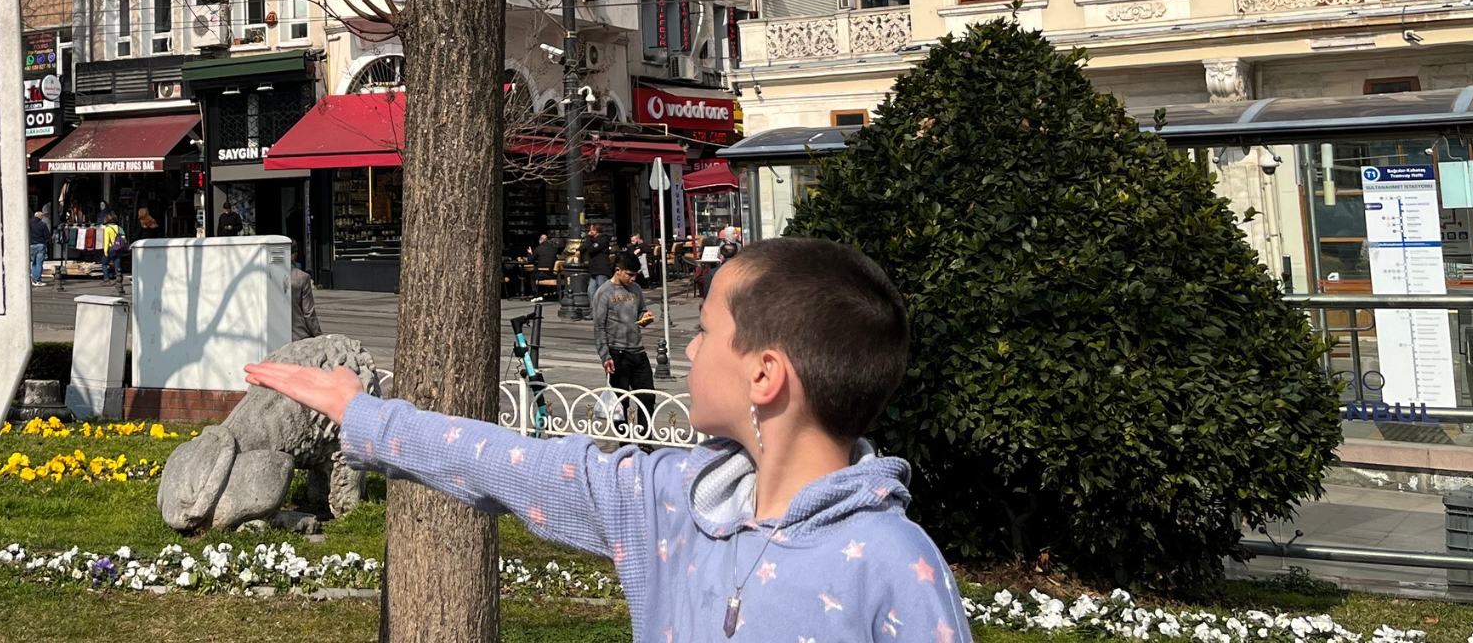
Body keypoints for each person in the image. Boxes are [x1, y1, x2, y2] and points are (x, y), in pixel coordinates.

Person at [245, 237, 969, 643]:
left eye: (707, 331)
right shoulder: (670, 503)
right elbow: (506, 464)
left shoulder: (893, 563)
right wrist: (365, 415)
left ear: (765, 376)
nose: (687, 351)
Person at [592, 255, 656, 435]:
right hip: (617, 353)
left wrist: (644, 317)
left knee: (647, 397)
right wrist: (605, 355)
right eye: (629, 274)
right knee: (621, 402)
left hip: (638, 351)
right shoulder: (604, 292)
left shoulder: (635, 289)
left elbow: (641, 310)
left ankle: (646, 441)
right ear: (617, 270)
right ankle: (625, 442)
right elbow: (599, 326)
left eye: (635, 275)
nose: (633, 279)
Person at [580, 221, 614, 300]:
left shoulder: (602, 240)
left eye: (591, 230)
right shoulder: (593, 240)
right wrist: (579, 250)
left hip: (601, 269)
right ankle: (593, 310)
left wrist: (588, 238)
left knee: (602, 291)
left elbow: (591, 249)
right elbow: (585, 245)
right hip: (594, 270)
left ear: (596, 231)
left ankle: (604, 309)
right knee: (591, 291)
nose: (590, 232)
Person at [290, 262, 322, 341]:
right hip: (298, 335)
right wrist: (319, 336)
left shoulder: (260, 276)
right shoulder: (301, 277)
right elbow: (309, 313)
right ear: (294, 255)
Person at [527, 233, 564, 298]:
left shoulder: (538, 249)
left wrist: (530, 253)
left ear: (540, 241)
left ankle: (535, 294)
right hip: (554, 273)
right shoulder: (554, 248)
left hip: (543, 273)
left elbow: (530, 261)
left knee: (532, 276)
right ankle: (544, 292)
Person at [27, 205, 51, 286]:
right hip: (40, 244)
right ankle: (38, 280)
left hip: (31, 245)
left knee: (33, 263)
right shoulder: (43, 224)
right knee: (39, 263)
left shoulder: (28, 223)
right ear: (40, 217)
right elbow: (47, 236)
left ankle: (34, 279)